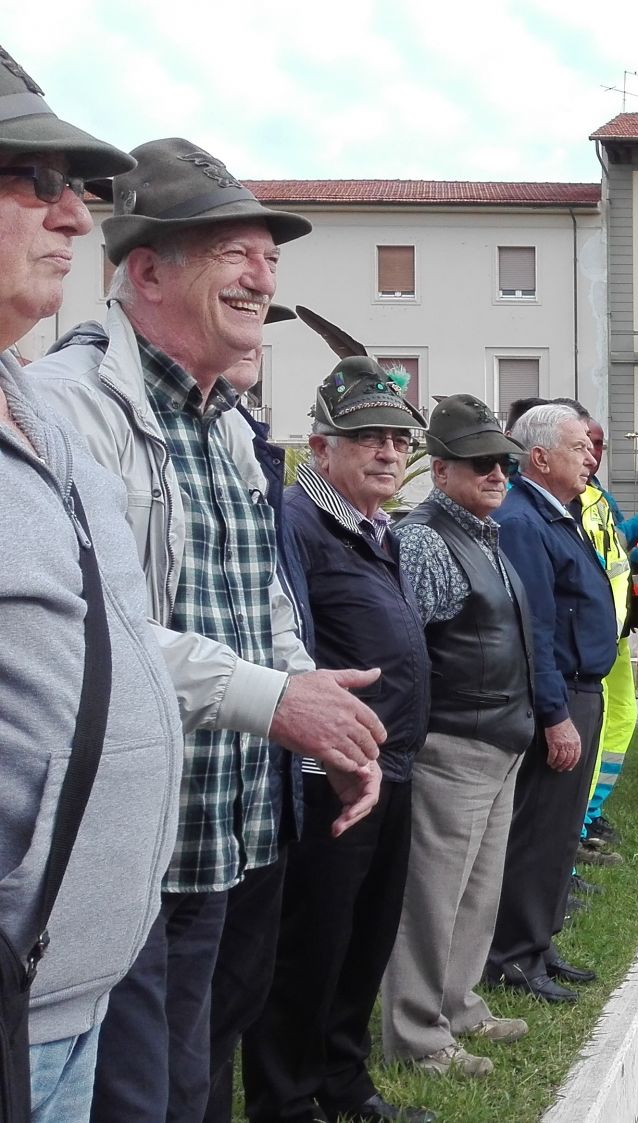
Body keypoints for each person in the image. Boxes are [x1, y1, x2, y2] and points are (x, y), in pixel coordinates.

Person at [30, 137, 388, 1123]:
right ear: (145, 268)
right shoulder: (69, 407)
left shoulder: (230, 425)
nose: (264, 272)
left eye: (269, 254)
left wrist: (322, 718)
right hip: (126, 849)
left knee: (200, 1084)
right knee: (144, 1099)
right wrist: (277, 699)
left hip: (234, 834)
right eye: (232, 249)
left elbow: (261, 597)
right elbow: (98, 632)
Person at [0, 48, 184, 1122]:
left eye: (78, 185)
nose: (75, 217)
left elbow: (109, 644)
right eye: (34, 179)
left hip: (74, 985)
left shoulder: (34, 405)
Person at [242, 361, 434, 1123]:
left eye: (396, 437)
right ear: (321, 447)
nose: (387, 451)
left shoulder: (369, 527)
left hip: (389, 767)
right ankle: (287, 1101)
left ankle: (345, 1084)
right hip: (328, 773)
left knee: (363, 941)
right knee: (312, 946)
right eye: (366, 437)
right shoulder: (298, 522)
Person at [381, 395, 536, 1079]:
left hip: (497, 739)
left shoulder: (480, 529)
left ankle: (459, 1003)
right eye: (479, 461)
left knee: (475, 892)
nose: (496, 471)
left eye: (501, 459)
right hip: (452, 741)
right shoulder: (425, 538)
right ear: (439, 470)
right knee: (432, 899)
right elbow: (405, 650)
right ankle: (416, 1033)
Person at [486, 403, 616, 1004]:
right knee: (538, 830)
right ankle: (513, 954)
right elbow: (535, 626)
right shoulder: (523, 520)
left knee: (561, 829)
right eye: (577, 448)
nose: (590, 456)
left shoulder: (554, 514)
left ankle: (539, 941)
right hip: (560, 693)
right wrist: (556, 714)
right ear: (538, 457)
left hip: (583, 687)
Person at [575, 412, 634, 864]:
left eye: (598, 447)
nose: (593, 456)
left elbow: (616, 555)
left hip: (612, 636)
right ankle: (575, 827)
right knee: (583, 738)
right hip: (584, 644)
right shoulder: (558, 504)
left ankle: (592, 811)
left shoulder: (599, 499)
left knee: (620, 722)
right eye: (585, 445)